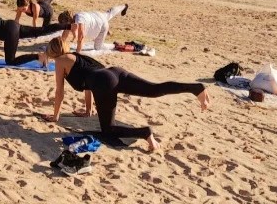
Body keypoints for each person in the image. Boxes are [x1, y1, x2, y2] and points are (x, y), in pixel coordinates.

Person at [39, 37, 210, 151]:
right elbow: (88, 85)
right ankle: (196, 88)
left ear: (53, 51)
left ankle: (144, 133)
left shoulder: (61, 60)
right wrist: (88, 111)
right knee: (154, 89)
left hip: (104, 82)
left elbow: (59, 91)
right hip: (116, 72)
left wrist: (56, 117)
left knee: (108, 129)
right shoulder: (77, 56)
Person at [0, 5, 74, 66]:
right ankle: (68, 26)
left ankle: (39, 56)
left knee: (10, 61)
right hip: (12, 25)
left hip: (9, 32)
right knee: (40, 31)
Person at [58, 4, 129, 51]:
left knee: (98, 47)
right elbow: (65, 32)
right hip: (97, 15)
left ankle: (114, 45)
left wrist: (77, 52)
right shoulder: (75, 15)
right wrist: (61, 44)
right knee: (110, 13)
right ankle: (123, 6)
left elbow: (81, 37)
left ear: (68, 21)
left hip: (102, 25)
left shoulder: (80, 21)